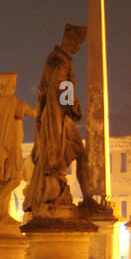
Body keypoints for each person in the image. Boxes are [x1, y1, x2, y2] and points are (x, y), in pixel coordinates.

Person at [25, 24, 95, 214]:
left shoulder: (54, 58)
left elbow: (45, 90)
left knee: (67, 155)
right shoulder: (60, 61)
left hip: (52, 114)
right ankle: (87, 197)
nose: (79, 48)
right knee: (78, 154)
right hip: (58, 116)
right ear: (75, 43)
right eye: (79, 44)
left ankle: (83, 196)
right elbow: (63, 88)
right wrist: (74, 108)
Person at [0, 71, 36, 228]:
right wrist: (49, 102)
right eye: (14, 86)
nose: (14, 88)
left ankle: (1, 214)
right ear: (10, 86)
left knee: (2, 181)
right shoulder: (14, 103)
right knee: (15, 179)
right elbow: (33, 113)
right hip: (10, 148)